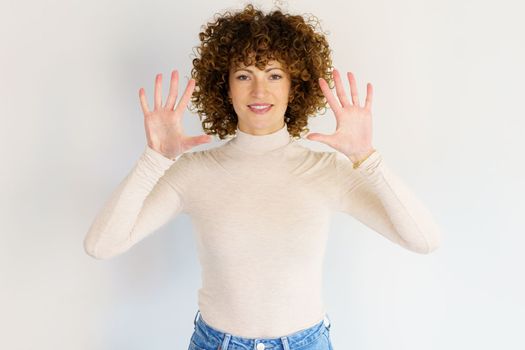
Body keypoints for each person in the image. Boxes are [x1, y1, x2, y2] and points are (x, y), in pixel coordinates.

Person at [83, 3, 442, 350]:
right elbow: (101, 246)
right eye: (244, 76)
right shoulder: (194, 172)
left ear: (294, 86)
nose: (259, 91)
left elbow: (424, 240)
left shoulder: (327, 172)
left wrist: (367, 158)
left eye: (274, 75)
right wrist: (154, 159)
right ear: (225, 87)